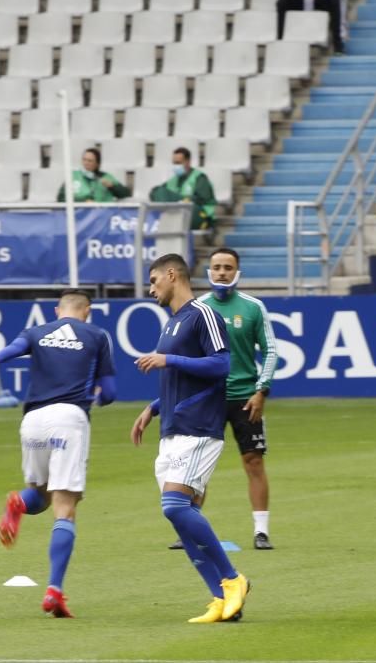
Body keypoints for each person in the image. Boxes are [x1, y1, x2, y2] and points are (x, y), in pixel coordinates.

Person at [0, 289, 116, 618]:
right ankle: (55, 589)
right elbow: (110, 392)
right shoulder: (96, 334)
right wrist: (96, 399)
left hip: (33, 421)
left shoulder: (37, 332)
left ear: (57, 311)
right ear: (87, 311)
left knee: (40, 495)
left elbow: (16, 348)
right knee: (65, 508)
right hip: (68, 418)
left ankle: (18, 503)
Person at [130, 253, 249, 624]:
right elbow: (180, 380)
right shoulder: (171, 324)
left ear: (171, 275)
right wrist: (153, 407)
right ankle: (220, 600)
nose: (151, 290)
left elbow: (221, 365)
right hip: (172, 429)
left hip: (199, 428)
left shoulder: (203, 315)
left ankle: (232, 579)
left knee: (175, 507)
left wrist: (169, 362)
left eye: (153, 281)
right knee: (182, 518)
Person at [168, 248, 278, 551]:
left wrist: (261, 389)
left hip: (245, 398)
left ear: (238, 272)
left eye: (228, 267)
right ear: (209, 271)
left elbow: (269, 350)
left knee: (253, 461)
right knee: (197, 466)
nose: (222, 273)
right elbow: (187, 354)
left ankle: (261, 531)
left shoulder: (253, 308)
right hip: (207, 399)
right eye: (216, 267)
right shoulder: (198, 308)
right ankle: (190, 529)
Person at [149, 147, 217, 231]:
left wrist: (181, 200)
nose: (176, 166)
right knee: (158, 192)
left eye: (178, 163)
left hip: (200, 215)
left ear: (188, 162)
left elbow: (202, 199)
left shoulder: (199, 178)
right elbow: (157, 192)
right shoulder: (173, 180)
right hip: (179, 213)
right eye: (174, 163)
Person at [57, 147, 131, 203]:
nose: (86, 163)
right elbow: (61, 198)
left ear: (97, 164)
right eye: (84, 159)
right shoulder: (73, 176)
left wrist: (112, 186)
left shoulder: (105, 177)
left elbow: (125, 193)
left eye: (90, 161)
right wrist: (83, 202)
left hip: (101, 216)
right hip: (78, 215)